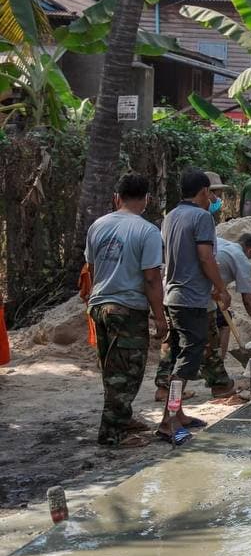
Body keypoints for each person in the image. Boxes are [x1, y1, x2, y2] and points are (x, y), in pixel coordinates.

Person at [84, 173, 167, 447]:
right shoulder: (148, 231)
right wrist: (160, 317)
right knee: (127, 372)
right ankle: (112, 435)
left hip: (99, 305)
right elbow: (152, 278)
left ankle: (123, 418)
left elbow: (92, 269)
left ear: (116, 197)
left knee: (111, 369)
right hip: (127, 308)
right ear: (146, 200)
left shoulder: (98, 225)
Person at [158, 169, 232, 445]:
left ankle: (177, 413)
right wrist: (221, 287)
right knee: (188, 358)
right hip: (190, 299)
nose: (212, 198)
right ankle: (169, 418)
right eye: (211, 193)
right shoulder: (202, 217)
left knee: (179, 353)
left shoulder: (171, 216)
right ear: (203, 191)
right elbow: (204, 257)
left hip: (172, 295)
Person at [216, 233, 251, 345]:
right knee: (223, 324)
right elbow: (248, 301)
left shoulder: (220, 242)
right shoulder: (242, 260)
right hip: (203, 295)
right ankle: (220, 359)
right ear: (250, 251)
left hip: (186, 284)